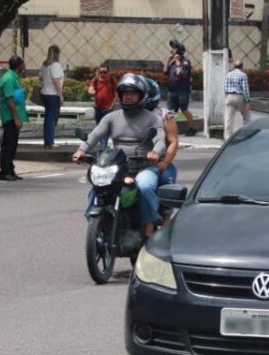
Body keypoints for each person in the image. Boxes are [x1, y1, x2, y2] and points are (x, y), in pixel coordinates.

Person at [73, 74, 166, 238]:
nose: (128, 96)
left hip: (144, 166)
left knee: (145, 187)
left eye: (133, 93)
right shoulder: (111, 117)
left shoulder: (153, 118)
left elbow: (160, 140)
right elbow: (94, 136)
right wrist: (81, 150)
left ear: (141, 95)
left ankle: (149, 228)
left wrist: (155, 153)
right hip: (118, 167)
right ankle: (94, 221)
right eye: (125, 93)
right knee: (97, 186)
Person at [143, 79, 180, 225]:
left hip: (159, 161)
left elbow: (173, 141)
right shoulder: (127, 113)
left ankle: (165, 223)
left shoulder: (164, 115)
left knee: (166, 183)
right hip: (135, 162)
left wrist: (165, 162)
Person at [0, 55, 28, 181]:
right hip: (10, 117)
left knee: (13, 144)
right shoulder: (9, 79)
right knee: (9, 145)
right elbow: (9, 100)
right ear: (19, 66)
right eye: (23, 65)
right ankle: (5, 171)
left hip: (14, 116)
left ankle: (10, 169)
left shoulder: (14, 77)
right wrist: (16, 118)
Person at [165, 40, 197, 136]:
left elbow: (181, 73)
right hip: (171, 91)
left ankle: (192, 128)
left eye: (173, 49)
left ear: (179, 51)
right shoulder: (172, 63)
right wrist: (168, 61)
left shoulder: (185, 62)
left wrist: (178, 61)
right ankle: (170, 131)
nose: (171, 50)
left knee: (184, 110)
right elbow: (165, 72)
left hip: (182, 91)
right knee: (170, 112)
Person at [39, 45, 65, 149]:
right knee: (51, 119)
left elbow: (40, 78)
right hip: (53, 95)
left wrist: (47, 80)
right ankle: (50, 142)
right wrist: (61, 95)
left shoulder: (45, 64)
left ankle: (47, 142)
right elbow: (56, 81)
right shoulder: (56, 65)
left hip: (45, 92)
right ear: (58, 53)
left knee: (48, 118)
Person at [88, 65, 118, 144]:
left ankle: (103, 145)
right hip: (98, 109)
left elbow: (116, 95)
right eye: (101, 72)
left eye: (104, 72)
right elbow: (90, 88)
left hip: (108, 109)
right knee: (100, 128)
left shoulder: (112, 81)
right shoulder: (96, 80)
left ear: (108, 72)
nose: (102, 74)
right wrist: (91, 91)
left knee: (106, 128)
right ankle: (103, 145)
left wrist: (111, 107)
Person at [223, 60, 251, 140]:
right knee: (246, 116)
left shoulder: (228, 74)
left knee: (228, 117)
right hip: (239, 96)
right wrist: (247, 101)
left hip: (229, 96)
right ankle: (246, 135)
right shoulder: (243, 75)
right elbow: (245, 89)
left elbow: (225, 87)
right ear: (242, 67)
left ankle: (227, 137)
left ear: (234, 67)